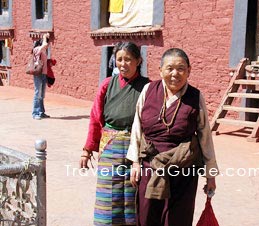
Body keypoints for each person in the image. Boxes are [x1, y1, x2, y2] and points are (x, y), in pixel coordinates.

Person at [127, 48, 219, 226]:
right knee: (147, 216)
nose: (175, 74)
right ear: (160, 70)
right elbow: (137, 126)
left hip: (183, 169)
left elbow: (205, 136)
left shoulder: (195, 96)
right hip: (150, 166)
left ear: (189, 71)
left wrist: (211, 175)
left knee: (177, 219)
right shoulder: (148, 90)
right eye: (169, 68)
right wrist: (135, 162)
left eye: (181, 69)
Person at [79, 42, 149, 226]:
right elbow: (95, 117)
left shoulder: (148, 87)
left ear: (138, 61)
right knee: (108, 197)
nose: (123, 64)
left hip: (137, 149)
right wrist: (87, 150)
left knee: (133, 195)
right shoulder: (107, 85)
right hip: (111, 147)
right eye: (119, 59)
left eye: (128, 59)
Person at [32, 33, 50, 120]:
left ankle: (41, 112)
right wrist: (44, 37)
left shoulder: (43, 51)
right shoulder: (37, 49)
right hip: (38, 74)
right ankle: (35, 113)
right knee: (37, 93)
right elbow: (45, 44)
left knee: (42, 95)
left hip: (43, 74)